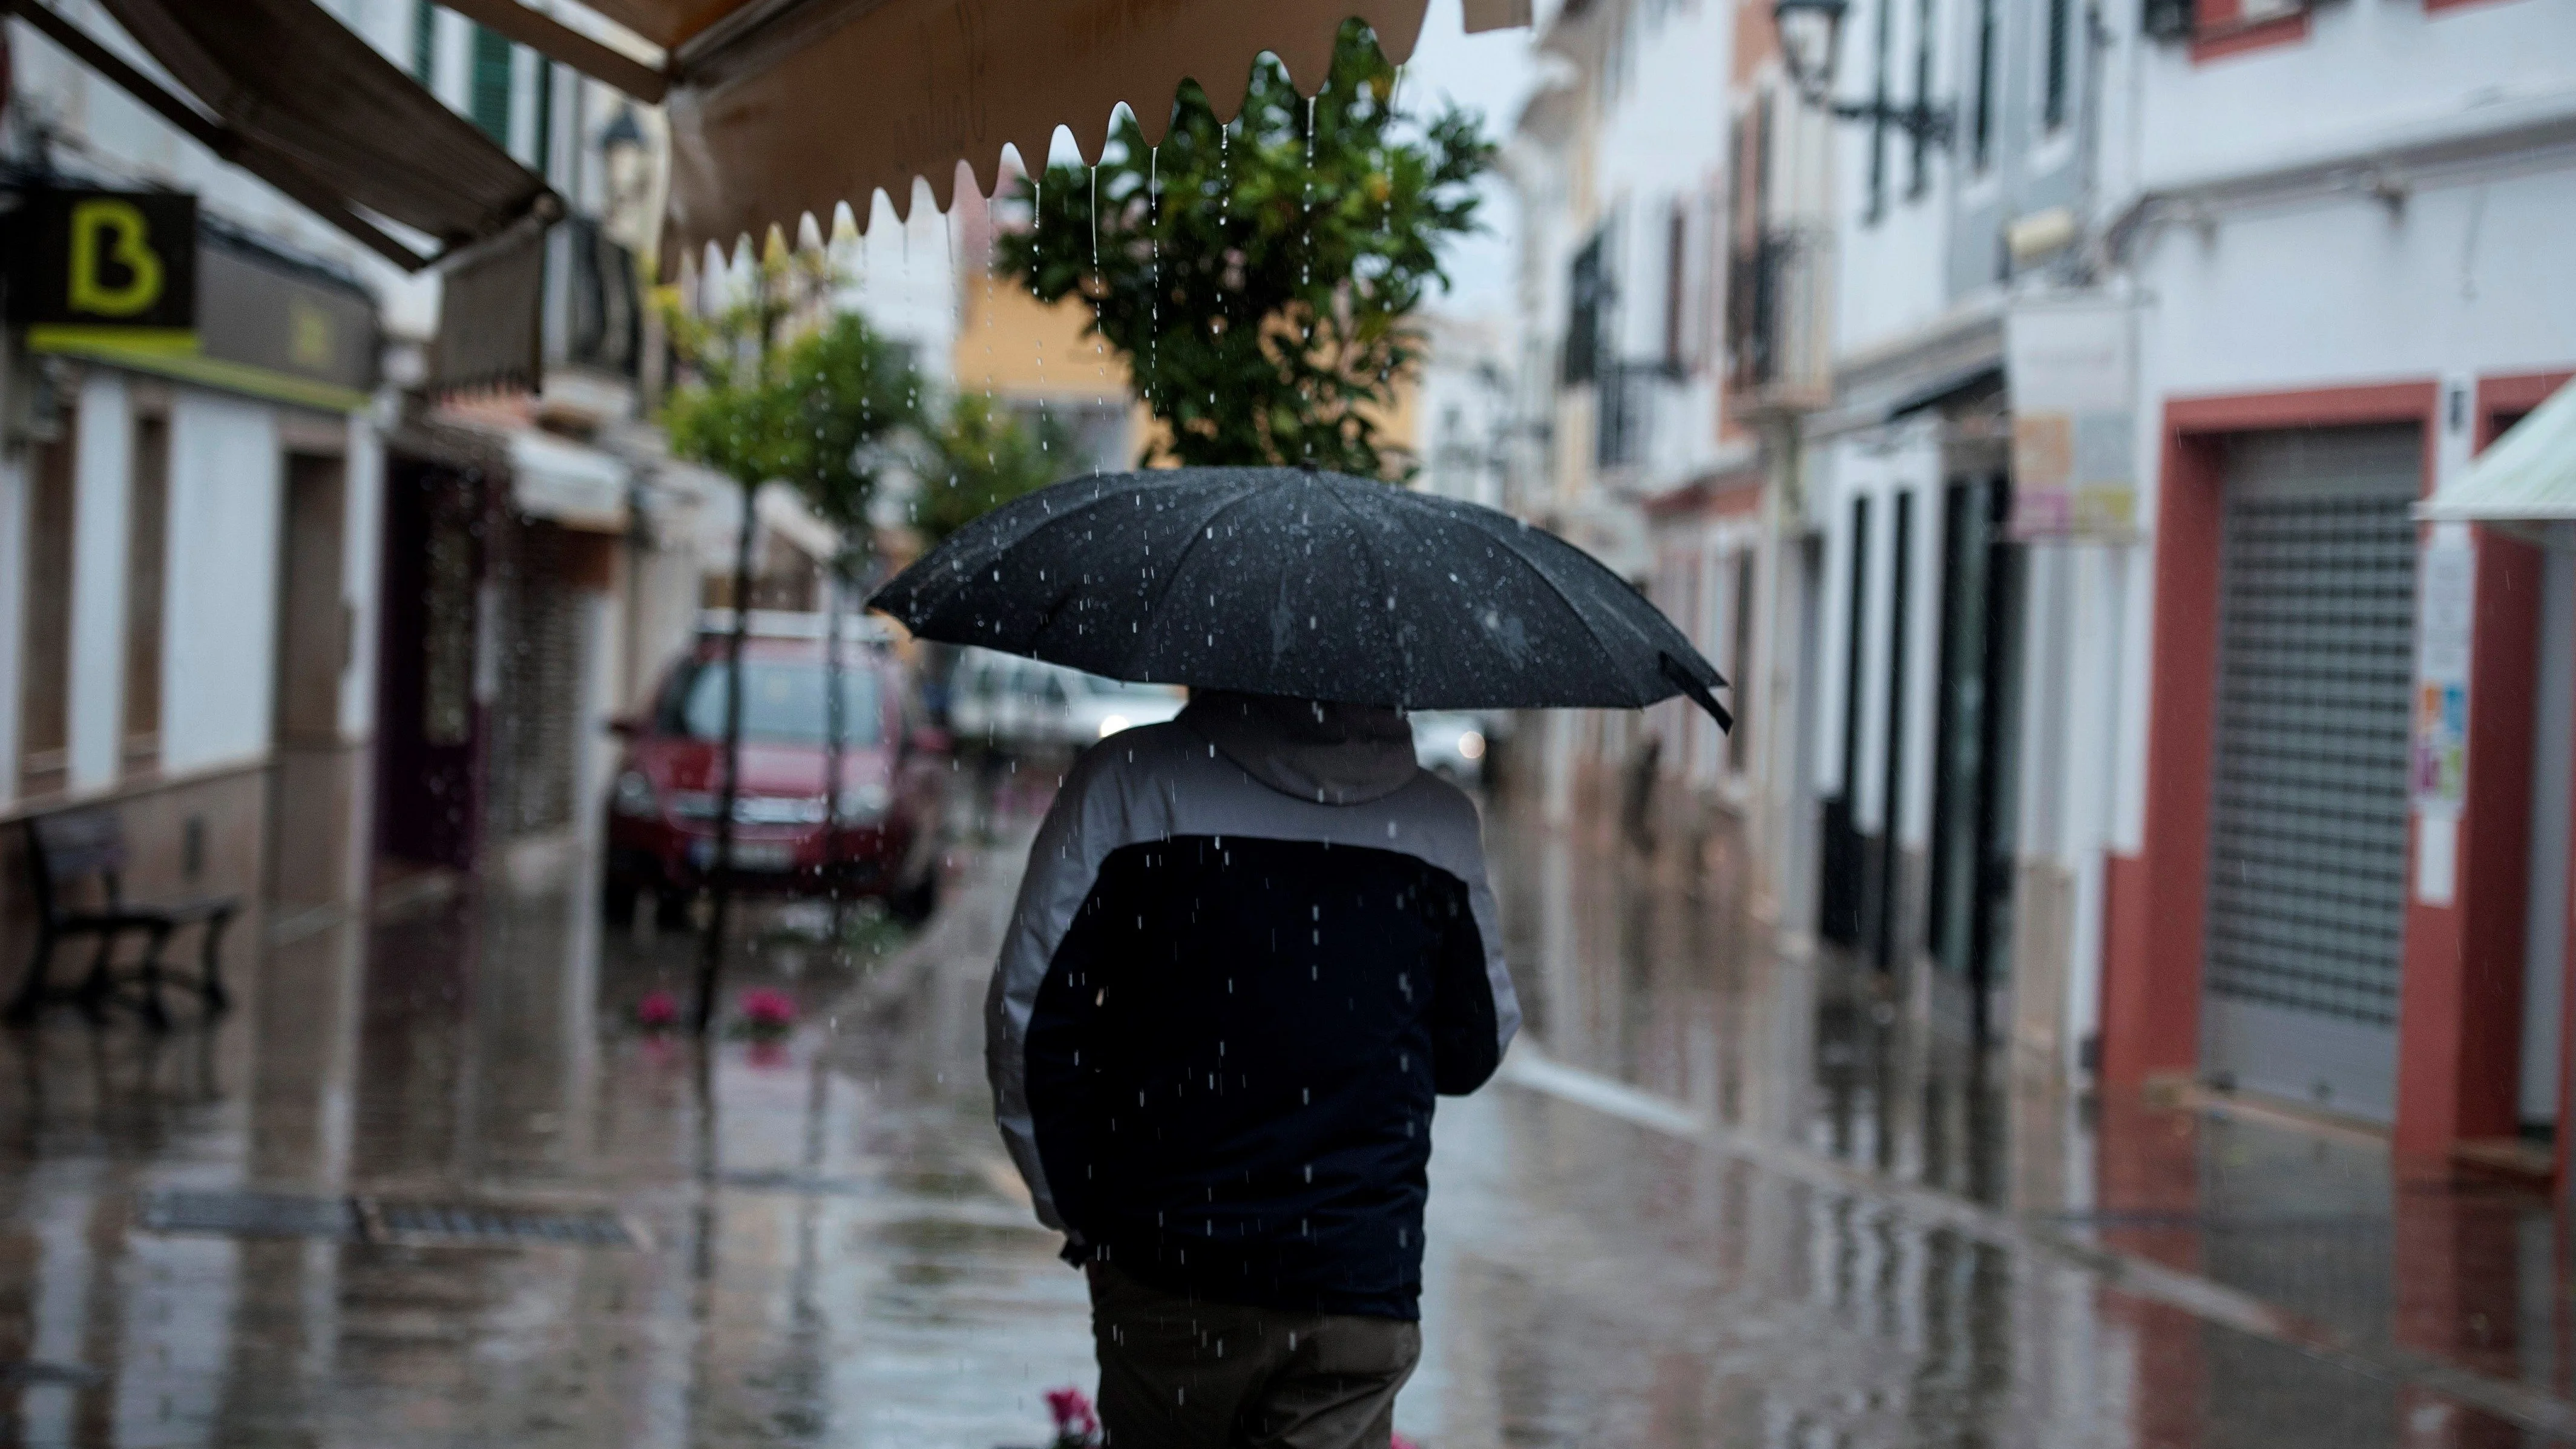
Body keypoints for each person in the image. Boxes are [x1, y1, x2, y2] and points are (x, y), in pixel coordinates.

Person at [988, 689, 1521, 1449]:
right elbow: (1474, 1047)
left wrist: (1078, 1213)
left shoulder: (1131, 781)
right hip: (1354, 1286)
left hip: (1169, 1270)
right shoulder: (1437, 822)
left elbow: (1030, 1019)